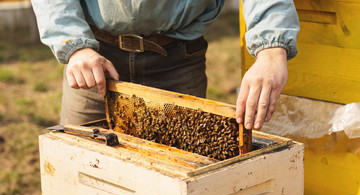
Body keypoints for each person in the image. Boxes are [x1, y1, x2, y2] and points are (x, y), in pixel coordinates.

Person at [31, 0, 299, 130]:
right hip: (97, 63)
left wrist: (272, 48)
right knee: (83, 176)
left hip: (178, 60)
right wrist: (75, 47)